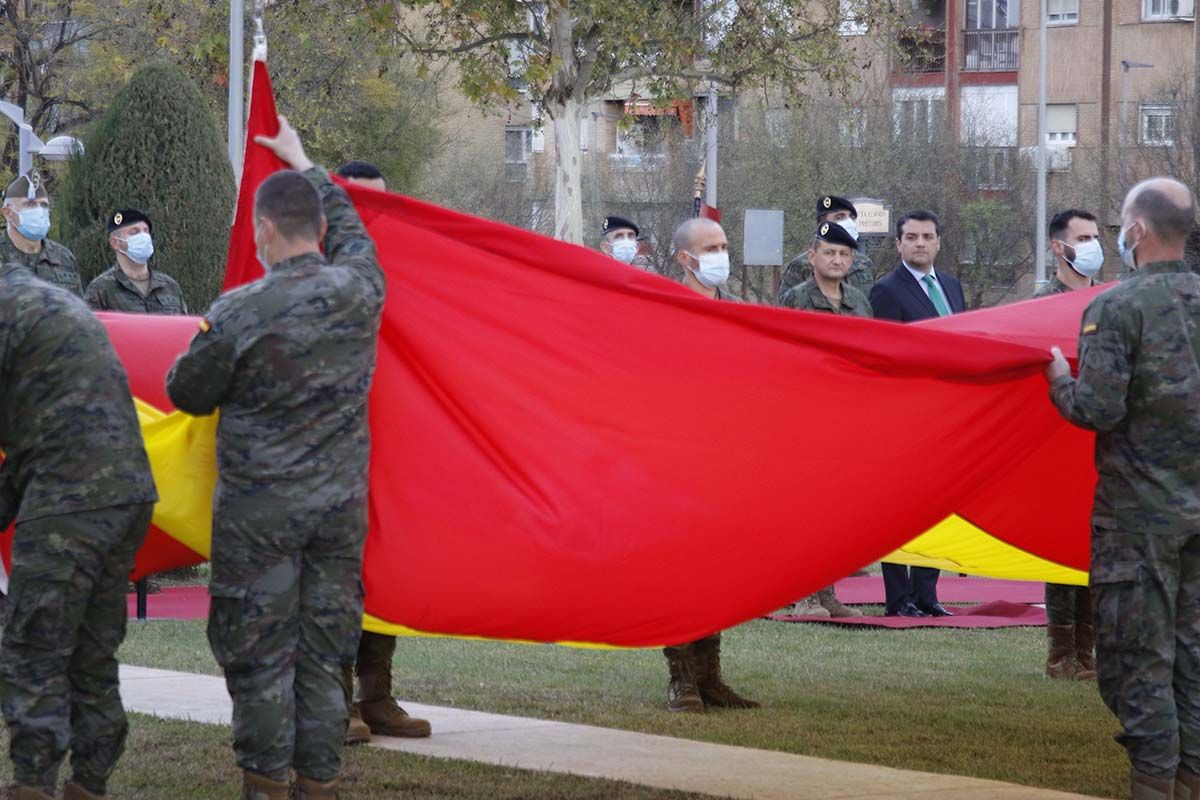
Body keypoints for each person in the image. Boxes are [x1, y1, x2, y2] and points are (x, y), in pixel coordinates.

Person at [166, 117, 386, 800]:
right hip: (338, 513)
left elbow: (187, 393)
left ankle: (265, 786)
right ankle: (317, 782)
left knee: (260, 656)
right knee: (324, 655)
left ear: (263, 230)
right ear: (317, 229)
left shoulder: (240, 310)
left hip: (260, 517)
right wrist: (306, 162)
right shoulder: (361, 290)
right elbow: (356, 237)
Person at [1046, 177, 1200, 800]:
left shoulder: (1116, 306)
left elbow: (1098, 410)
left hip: (1137, 521)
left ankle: (1155, 784)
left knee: (1136, 660)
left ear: (1135, 232)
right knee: (1192, 657)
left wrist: (1059, 378)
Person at [0, 263, 157, 800]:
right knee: (91, 651)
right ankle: (90, 781)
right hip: (126, 494)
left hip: (70, 498)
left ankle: (32, 784)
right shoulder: (43, 300)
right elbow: (30, 441)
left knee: (34, 646)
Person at [333, 160, 431, 746]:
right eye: (360, 201)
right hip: (335, 440)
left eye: (382, 202)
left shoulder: (408, 263)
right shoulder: (324, 266)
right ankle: (336, 697)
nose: (373, 213)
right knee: (340, 572)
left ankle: (377, 694)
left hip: (395, 436)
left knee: (385, 565)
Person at [661, 216, 758, 714]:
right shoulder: (662, 311)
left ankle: (711, 676)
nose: (721, 253)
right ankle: (681, 678)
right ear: (685, 258)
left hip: (727, 459)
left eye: (723, 245)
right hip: (676, 459)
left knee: (717, 568)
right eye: (710, 247)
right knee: (680, 569)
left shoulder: (741, 312)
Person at [869, 210, 964, 617]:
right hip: (907, 415)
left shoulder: (953, 286)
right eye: (911, 237)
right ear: (898, 244)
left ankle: (927, 593)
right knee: (899, 507)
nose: (920, 243)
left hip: (951, 413)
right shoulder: (886, 291)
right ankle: (899, 597)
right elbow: (886, 355)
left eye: (927, 236)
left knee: (938, 506)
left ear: (939, 241)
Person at [782, 221, 869, 619]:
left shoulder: (859, 303)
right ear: (812, 256)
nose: (836, 260)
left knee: (836, 510)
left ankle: (828, 593)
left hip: (848, 419)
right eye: (829, 252)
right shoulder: (795, 300)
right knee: (804, 509)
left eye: (844, 254)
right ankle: (801, 594)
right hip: (807, 417)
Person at [1038, 208, 1103, 681]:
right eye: (1083, 237)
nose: (1093, 245)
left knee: (1097, 544)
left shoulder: (1109, 301)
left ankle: (1088, 649)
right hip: (1055, 437)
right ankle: (1061, 651)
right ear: (1059, 247)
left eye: (1097, 236)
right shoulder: (1040, 302)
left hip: (1100, 438)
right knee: (1063, 540)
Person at [84, 209, 188, 314]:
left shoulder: (169, 286)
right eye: (134, 232)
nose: (143, 237)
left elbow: (184, 328)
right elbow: (90, 328)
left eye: (146, 231)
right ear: (115, 242)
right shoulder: (101, 289)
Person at [778, 195, 874, 305]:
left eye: (851, 217)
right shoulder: (802, 264)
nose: (848, 222)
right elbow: (785, 307)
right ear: (822, 224)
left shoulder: (864, 263)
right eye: (839, 217)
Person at [0, 172, 82, 296]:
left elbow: (79, 310)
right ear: (7, 213)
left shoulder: (63, 257)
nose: (39, 210)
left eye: (44, 205)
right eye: (30, 204)